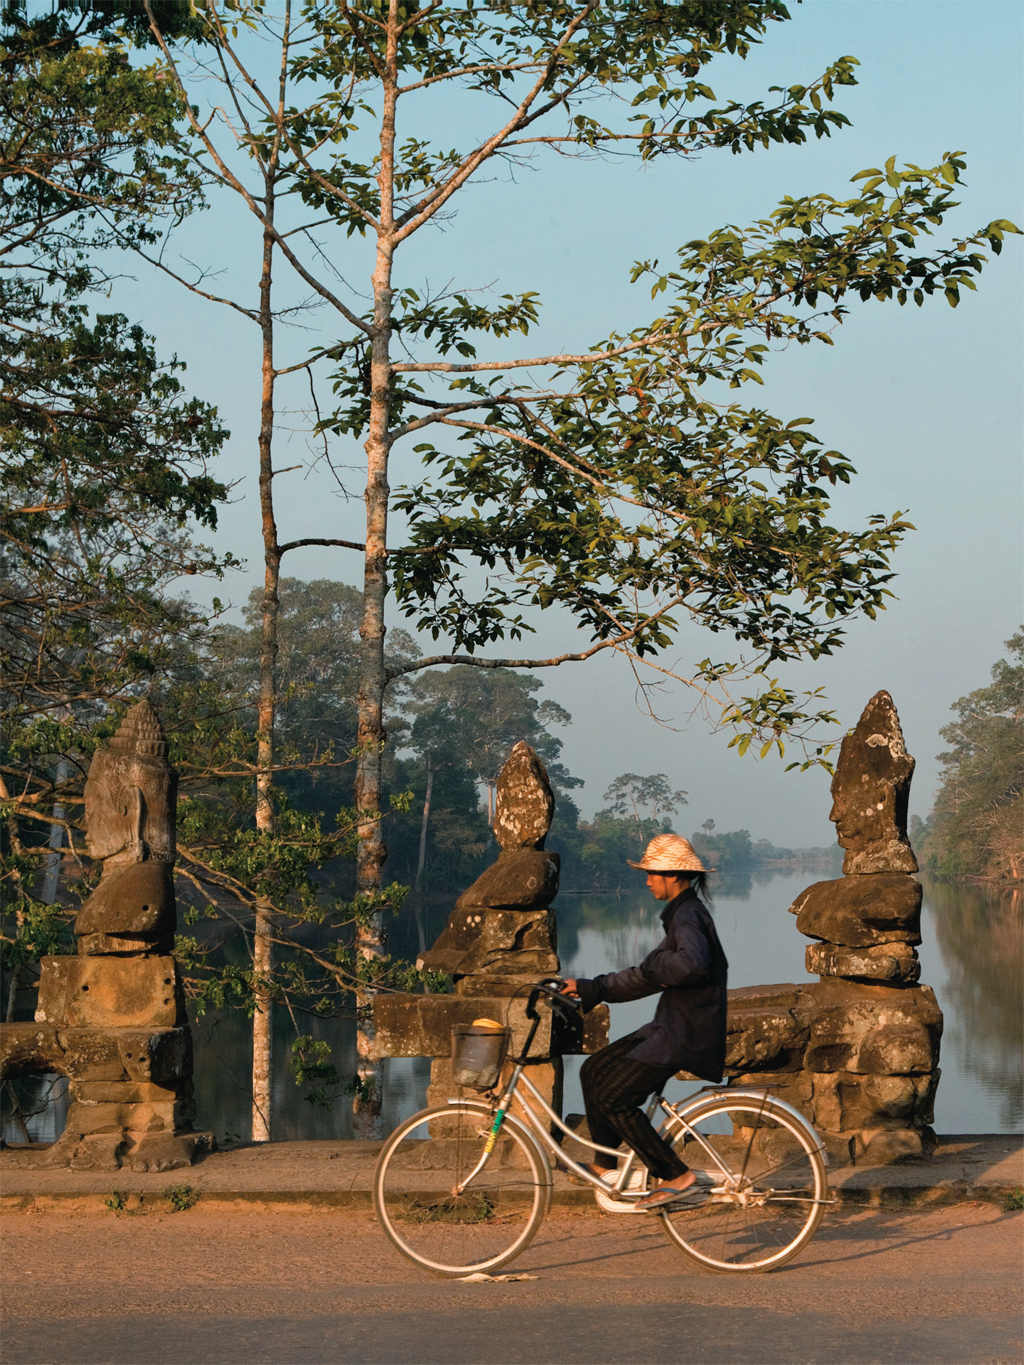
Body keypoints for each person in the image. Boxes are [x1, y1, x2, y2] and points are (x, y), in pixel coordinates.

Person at [562, 832, 728, 1209]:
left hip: (684, 1033)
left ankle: (677, 1175)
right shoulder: (681, 915)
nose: (647, 879)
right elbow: (648, 976)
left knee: (615, 1097)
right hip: (671, 1024)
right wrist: (592, 988)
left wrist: (655, 965)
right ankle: (605, 1166)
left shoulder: (687, 915)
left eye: (651, 872)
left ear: (671, 874)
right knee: (594, 1070)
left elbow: (687, 965)